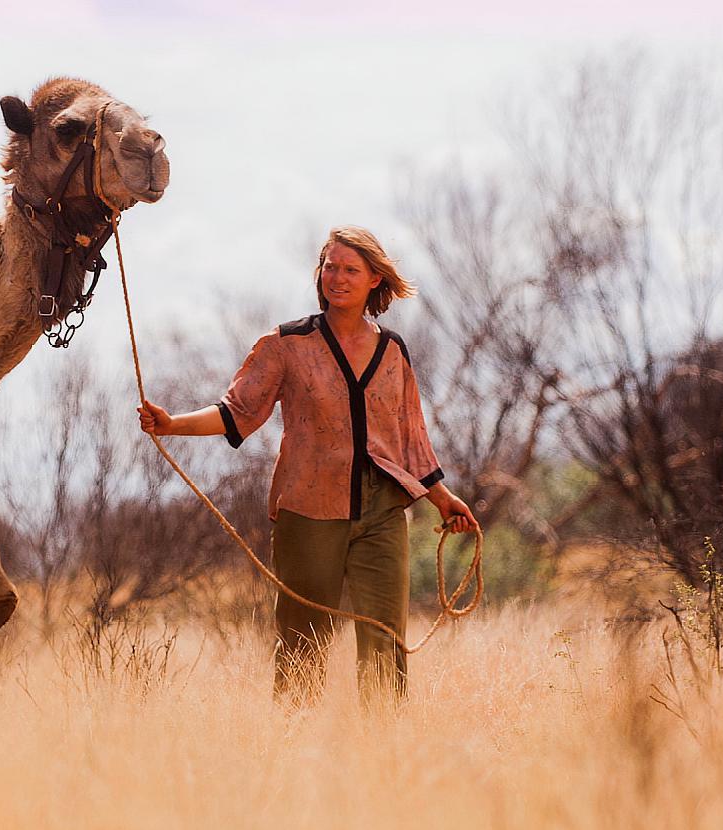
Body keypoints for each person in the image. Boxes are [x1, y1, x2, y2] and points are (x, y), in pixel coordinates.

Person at [137, 226, 477, 699]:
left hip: (382, 509)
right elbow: (236, 412)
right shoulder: (286, 344)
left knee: (385, 639)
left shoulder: (394, 349)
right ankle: (294, 747)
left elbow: (411, 437)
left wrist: (442, 498)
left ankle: (388, 755)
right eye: (329, 266)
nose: (337, 277)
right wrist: (171, 424)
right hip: (308, 506)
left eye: (350, 269)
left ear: (375, 279)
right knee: (304, 639)